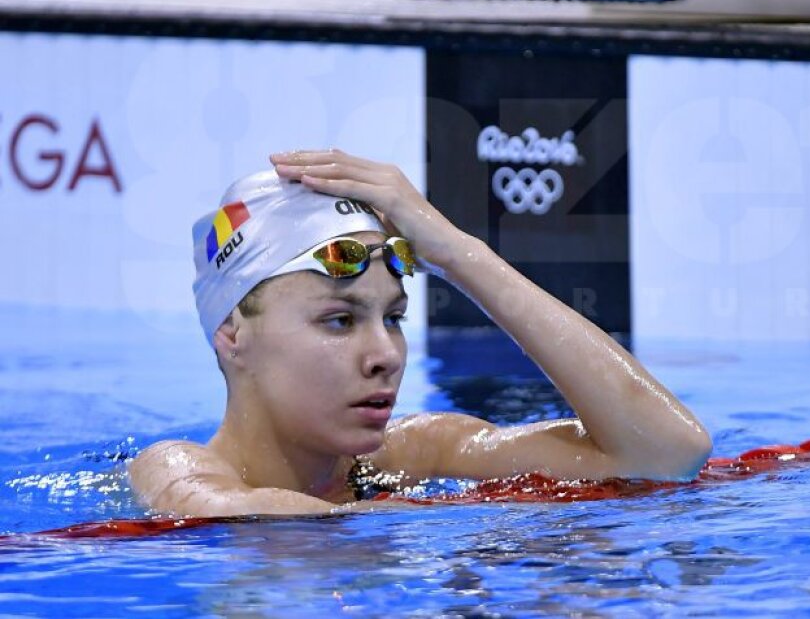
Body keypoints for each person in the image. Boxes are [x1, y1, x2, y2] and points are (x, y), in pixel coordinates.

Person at [129, 149, 711, 516]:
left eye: (394, 318)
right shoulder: (175, 466)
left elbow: (666, 453)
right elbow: (221, 513)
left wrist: (459, 254)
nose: (385, 355)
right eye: (339, 320)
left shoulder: (419, 455)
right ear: (232, 334)